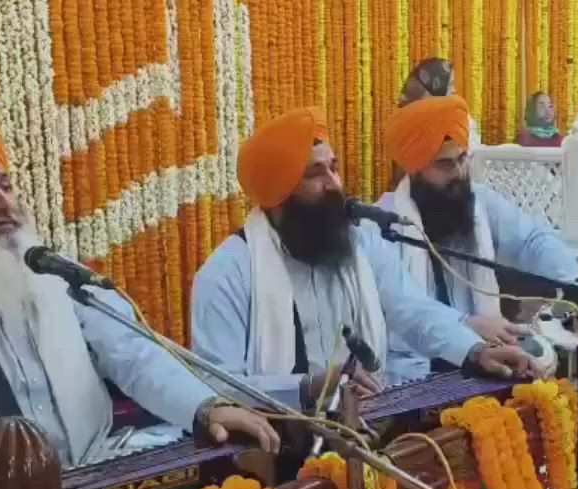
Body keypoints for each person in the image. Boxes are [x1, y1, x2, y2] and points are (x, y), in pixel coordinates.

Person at [0, 108, 278, 489]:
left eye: (6, 184)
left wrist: (206, 407)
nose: (5, 205)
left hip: (95, 479)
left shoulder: (54, 275)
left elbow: (134, 355)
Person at [190, 106, 540, 408]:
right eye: (315, 173)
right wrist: (308, 388)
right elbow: (219, 386)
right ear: (278, 192)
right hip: (273, 452)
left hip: (368, 426)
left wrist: (475, 351)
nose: (334, 184)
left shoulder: (360, 244)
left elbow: (414, 311)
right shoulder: (227, 273)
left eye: (333, 167)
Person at [377, 95, 578, 383]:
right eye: (445, 164)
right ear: (413, 169)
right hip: (411, 373)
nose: (460, 173)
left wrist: (577, 281)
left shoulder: (478, 203)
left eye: (463, 159)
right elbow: (404, 307)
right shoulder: (382, 224)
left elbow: (532, 239)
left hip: (487, 360)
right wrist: (467, 327)